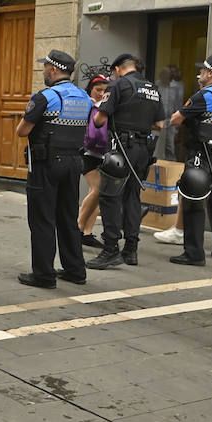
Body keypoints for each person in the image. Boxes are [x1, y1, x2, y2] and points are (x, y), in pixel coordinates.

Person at [16, 50, 92, 288]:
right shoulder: (84, 97)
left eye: (45, 66)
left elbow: (22, 130)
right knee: (68, 217)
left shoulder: (46, 97)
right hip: (74, 163)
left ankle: (44, 274)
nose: (43, 71)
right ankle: (75, 270)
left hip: (46, 164)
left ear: (54, 69)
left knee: (42, 219)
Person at [87, 53, 165, 270]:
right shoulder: (153, 89)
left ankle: (110, 248)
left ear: (119, 69)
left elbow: (99, 120)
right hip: (143, 149)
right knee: (133, 196)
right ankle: (131, 249)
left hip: (121, 148)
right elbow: (159, 124)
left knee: (110, 196)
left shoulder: (118, 85)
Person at [168, 55, 212, 267]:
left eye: (204, 70)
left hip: (201, 154)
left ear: (211, 73)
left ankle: (194, 253)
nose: (201, 73)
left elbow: (175, 119)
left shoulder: (203, 96)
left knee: (194, 199)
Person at [78, 75, 110, 248]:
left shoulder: (107, 105)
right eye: (98, 90)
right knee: (97, 190)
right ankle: (78, 227)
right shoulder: (86, 103)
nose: (101, 94)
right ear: (90, 89)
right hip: (88, 152)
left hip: (104, 153)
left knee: (97, 192)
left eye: (105, 91)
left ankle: (87, 232)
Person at [156, 64, 185, 161]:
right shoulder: (157, 85)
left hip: (171, 121)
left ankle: (172, 167)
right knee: (158, 146)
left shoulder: (176, 87)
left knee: (170, 147)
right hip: (159, 120)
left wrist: (177, 126)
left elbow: (178, 105)